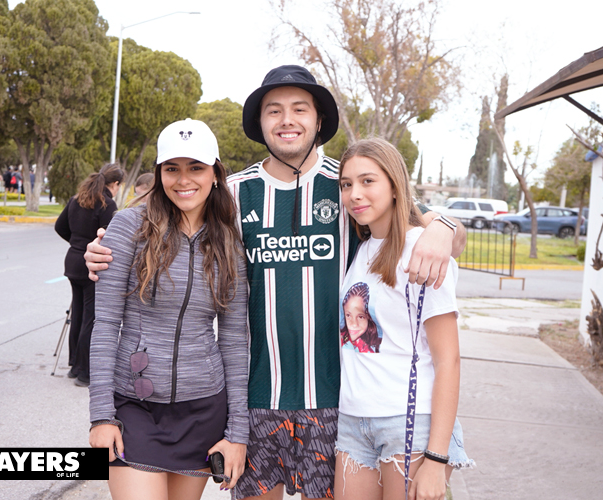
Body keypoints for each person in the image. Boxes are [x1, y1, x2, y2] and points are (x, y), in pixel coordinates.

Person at [84, 65, 466, 500]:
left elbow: (425, 226)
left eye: (299, 109)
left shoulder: (346, 187)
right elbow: (168, 224)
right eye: (274, 111)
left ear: (318, 120)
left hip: (336, 402)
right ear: (260, 123)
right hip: (255, 401)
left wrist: (444, 225)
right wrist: (101, 249)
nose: (287, 120)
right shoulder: (232, 195)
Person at [87, 119, 249, 500]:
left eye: (196, 167)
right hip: (134, 408)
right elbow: (106, 324)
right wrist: (101, 415)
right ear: (159, 174)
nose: (183, 179)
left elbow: (235, 340)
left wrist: (237, 431)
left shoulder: (229, 241)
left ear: (215, 172)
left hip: (203, 411)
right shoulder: (129, 226)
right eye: (171, 168)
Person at [334, 138, 473, 500]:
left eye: (367, 181)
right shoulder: (362, 249)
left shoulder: (422, 250)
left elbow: (448, 360)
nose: (354, 194)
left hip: (408, 421)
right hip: (353, 420)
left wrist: (437, 457)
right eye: (346, 184)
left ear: (395, 187)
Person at [55, 163, 124, 387]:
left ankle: (75, 365)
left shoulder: (78, 198)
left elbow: (60, 227)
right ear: (115, 184)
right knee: (90, 319)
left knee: (78, 314)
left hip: (73, 260)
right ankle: (85, 372)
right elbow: (110, 238)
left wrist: (76, 244)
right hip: (90, 264)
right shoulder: (107, 203)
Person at [340, 282, 381, 353]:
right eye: (348, 315)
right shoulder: (338, 339)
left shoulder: (373, 347)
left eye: (360, 317)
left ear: (368, 317)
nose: (354, 324)